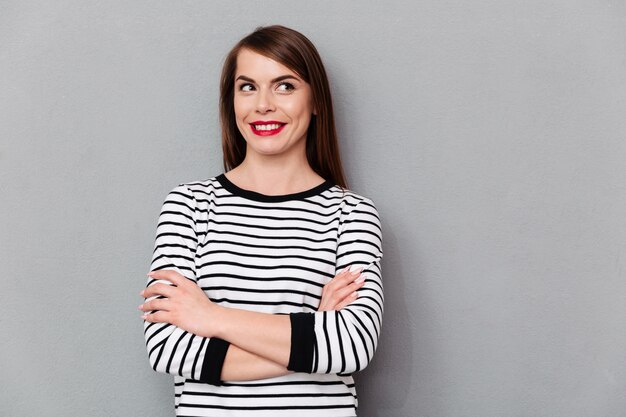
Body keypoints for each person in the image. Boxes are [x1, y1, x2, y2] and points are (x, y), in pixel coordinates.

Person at [139, 25, 383, 416]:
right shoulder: (188, 205)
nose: (263, 104)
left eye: (284, 86)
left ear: (316, 100)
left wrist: (210, 317)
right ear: (231, 101)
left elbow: (352, 346)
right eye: (247, 87)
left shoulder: (351, 213)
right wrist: (313, 334)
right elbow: (169, 349)